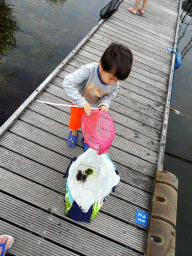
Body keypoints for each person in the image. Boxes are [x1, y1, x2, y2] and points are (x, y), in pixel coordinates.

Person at [63, 42, 133, 151]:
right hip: (79, 105)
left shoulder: (114, 82)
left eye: (117, 80)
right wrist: (82, 102)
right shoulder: (88, 70)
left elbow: (109, 96)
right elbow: (67, 82)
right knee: (75, 122)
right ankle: (74, 132)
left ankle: (86, 139)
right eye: (110, 78)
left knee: (90, 127)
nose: (113, 82)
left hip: (95, 109)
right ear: (101, 65)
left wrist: (104, 104)